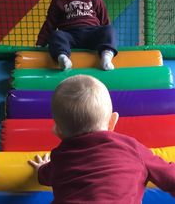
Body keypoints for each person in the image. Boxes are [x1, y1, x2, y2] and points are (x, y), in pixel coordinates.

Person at [29, 75, 175, 204]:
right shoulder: (131, 147)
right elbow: (170, 177)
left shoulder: (60, 157)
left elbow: (45, 177)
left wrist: (41, 168)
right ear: (113, 121)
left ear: (58, 131)